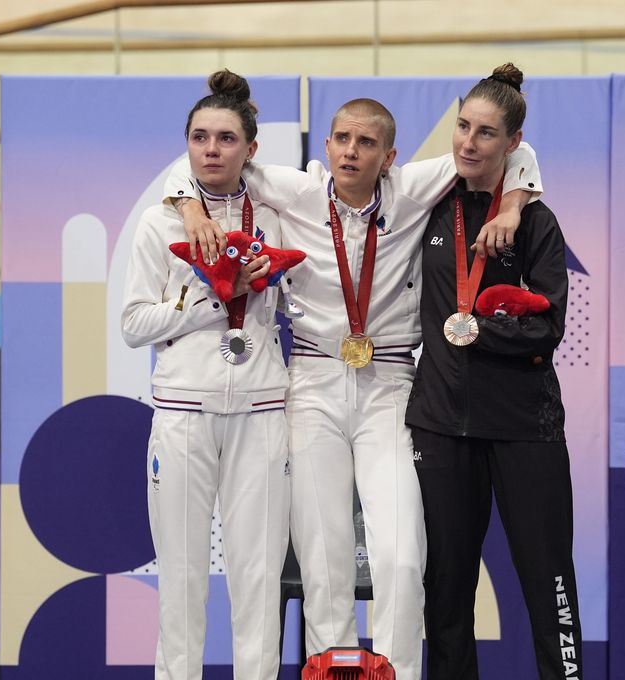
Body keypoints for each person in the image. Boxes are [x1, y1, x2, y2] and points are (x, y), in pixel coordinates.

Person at [166, 96, 542, 680]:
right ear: (326, 147)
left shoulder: (414, 188)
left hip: (390, 385)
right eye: (341, 138)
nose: (350, 151)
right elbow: (202, 165)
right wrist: (190, 211)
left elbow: (513, 152)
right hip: (312, 384)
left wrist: (514, 206)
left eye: (366, 143)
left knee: (399, 554)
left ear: (389, 156)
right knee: (324, 561)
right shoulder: (295, 192)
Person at [405, 64, 584, 680]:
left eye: (485, 133)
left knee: (548, 583)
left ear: (511, 145)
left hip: (523, 427)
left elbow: (547, 328)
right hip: (440, 425)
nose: (468, 143)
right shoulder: (425, 205)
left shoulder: (535, 222)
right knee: (447, 591)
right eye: (461, 126)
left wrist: (480, 328)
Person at [120, 69, 290, 680]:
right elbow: (135, 323)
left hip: (263, 413)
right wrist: (209, 303)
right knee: (183, 579)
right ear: (185, 145)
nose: (211, 150)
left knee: (257, 579)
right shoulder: (159, 223)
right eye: (199, 137)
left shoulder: (278, 214)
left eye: (225, 138)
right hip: (184, 414)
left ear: (250, 148)